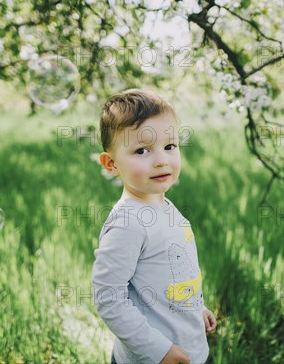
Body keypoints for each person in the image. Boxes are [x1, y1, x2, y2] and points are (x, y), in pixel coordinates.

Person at [92, 89, 217, 364]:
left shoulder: (164, 206)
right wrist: (157, 350)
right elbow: (108, 297)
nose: (161, 159)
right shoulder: (128, 223)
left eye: (169, 146)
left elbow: (173, 273)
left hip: (191, 349)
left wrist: (196, 308)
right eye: (142, 150)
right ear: (111, 164)